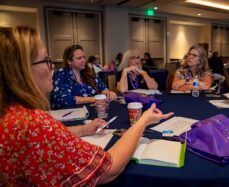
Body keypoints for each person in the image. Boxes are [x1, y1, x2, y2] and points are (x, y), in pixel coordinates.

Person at [0, 26, 174, 186]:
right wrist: (143, 121)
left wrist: (83, 129)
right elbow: (109, 168)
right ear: (20, 70)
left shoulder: (12, 116)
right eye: (45, 60)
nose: (51, 66)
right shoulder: (31, 123)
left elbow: (42, 138)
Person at [51, 45, 117, 109]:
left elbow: (102, 87)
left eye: (84, 57)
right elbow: (63, 99)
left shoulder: (88, 72)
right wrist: (93, 99)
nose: (84, 60)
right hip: (72, 115)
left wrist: (108, 93)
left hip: (94, 111)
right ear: (69, 61)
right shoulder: (61, 74)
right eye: (79, 58)